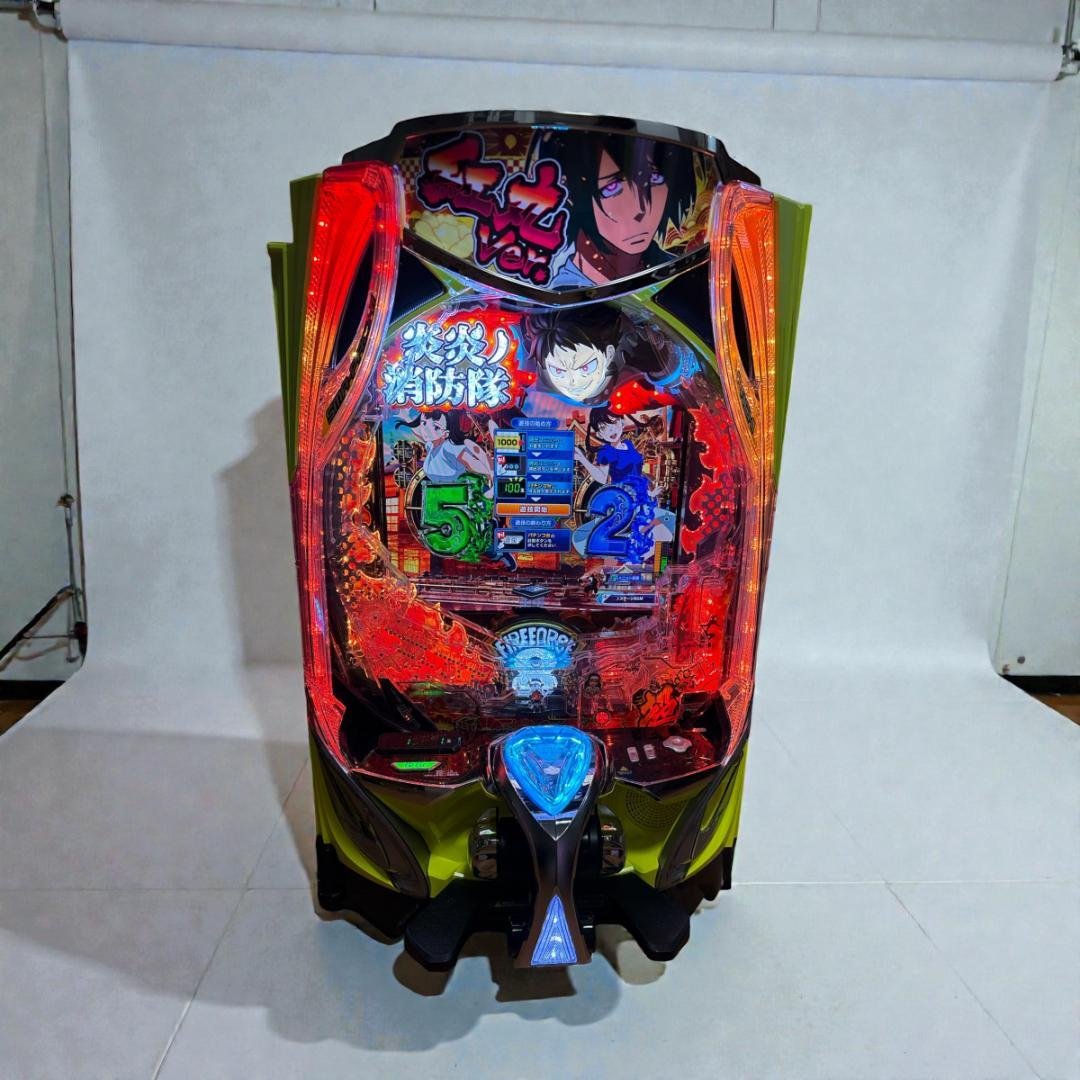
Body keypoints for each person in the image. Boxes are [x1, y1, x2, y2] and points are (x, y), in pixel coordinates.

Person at [528, 131, 696, 288]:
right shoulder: (558, 288)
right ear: (572, 195)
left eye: (654, 178)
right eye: (612, 188)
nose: (641, 210)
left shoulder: (680, 276)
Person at [572, 406, 675, 563]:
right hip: (622, 500)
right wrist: (583, 459)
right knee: (646, 534)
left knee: (658, 532)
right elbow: (602, 477)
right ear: (599, 434)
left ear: (621, 421)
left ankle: (649, 564)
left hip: (640, 496)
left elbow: (636, 476)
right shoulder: (606, 452)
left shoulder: (628, 444)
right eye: (603, 428)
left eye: (613, 422)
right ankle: (633, 562)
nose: (610, 430)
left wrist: (650, 493)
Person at [403, 411, 493, 490]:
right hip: (436, 492)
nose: (426, 429)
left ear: (445, 434)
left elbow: (471, 463)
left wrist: (490, 473)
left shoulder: (450, 447)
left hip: (457, 493)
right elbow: (419, 434)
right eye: (424, 423)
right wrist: (406, 416)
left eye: (436, 427)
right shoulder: (430, 445)